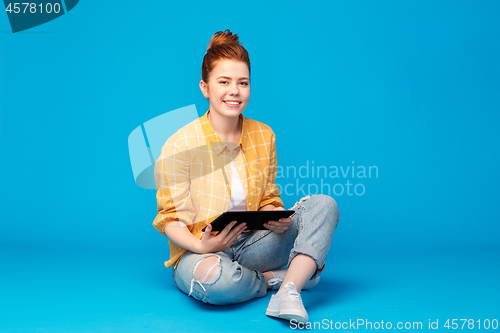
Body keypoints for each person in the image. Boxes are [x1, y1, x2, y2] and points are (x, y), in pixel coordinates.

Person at [153, 29, 340, 324]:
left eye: (243, 83)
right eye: (224, 82)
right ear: (205, 87)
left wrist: (276, 216)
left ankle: (289, 290)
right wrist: (203, 246)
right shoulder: (180, 144)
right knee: (213, 282)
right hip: (200, 252)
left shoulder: (264, 135)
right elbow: (170, 218)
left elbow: (267, 198)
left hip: (252, 243)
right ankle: (276, 279)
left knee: (324, 205)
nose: (234, 91)